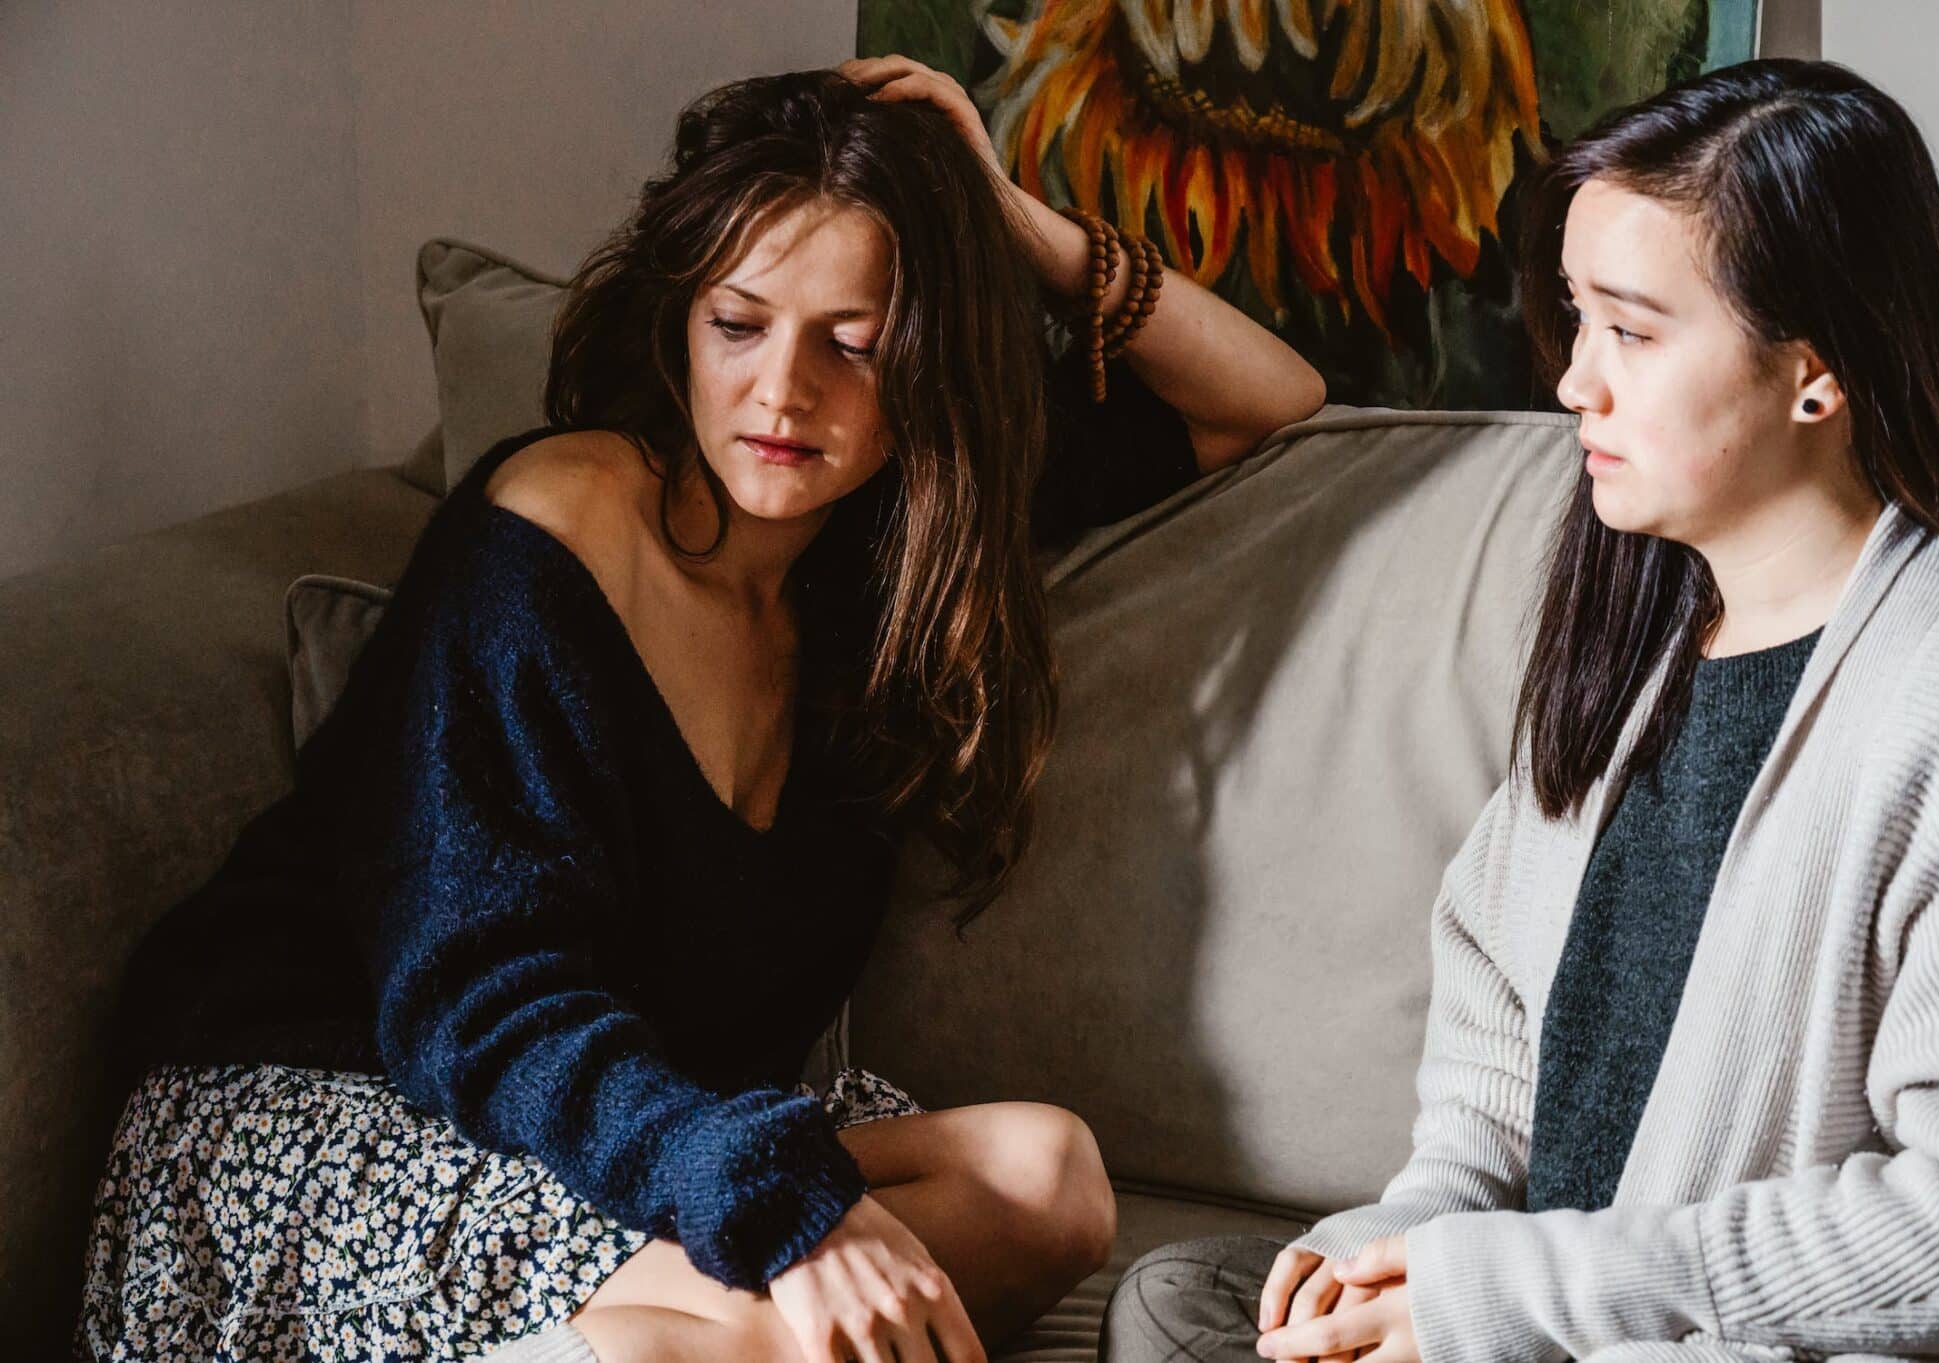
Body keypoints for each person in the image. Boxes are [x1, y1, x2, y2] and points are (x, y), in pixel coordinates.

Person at [73, 61, 1325, 1363]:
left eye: (851, 343)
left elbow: (1264, 397)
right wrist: (784, 1208)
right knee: (732, 1335)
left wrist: (1004, 213)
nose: (785, 394)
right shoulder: (560, 523)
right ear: (681, 322)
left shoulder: (890, 550)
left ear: (925, 361)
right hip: (352, 1095)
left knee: (1047, 1177)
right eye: (740, 324)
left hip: (653, 1112)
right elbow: (475, 1006)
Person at [1101, 57, 1939, 1363]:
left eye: (1634, 332)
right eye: (1575, 320)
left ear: (1814, 375)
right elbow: (1485, 1119)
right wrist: (1394, 1254)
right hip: (1536, 1318)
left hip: (1705, 1336)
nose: (1575, 384)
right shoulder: (1639, 633)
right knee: (1189, 1301)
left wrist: (1503, 1294)